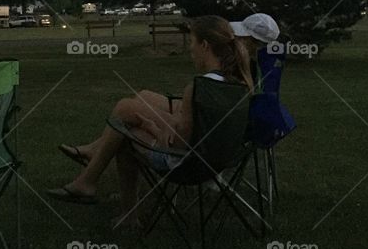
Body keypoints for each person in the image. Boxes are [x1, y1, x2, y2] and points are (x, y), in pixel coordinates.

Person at [46, 15, 263, 226]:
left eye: (192, 42)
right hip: (218, 159)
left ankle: (105, 194)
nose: (190, 49)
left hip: (189, 166)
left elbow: (178, 145)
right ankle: (92, 175)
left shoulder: (198, 87)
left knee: (124, 123)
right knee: (143, 97)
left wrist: (151, 126)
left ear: (205, 45)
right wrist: (171, 121)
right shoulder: (240, 83)